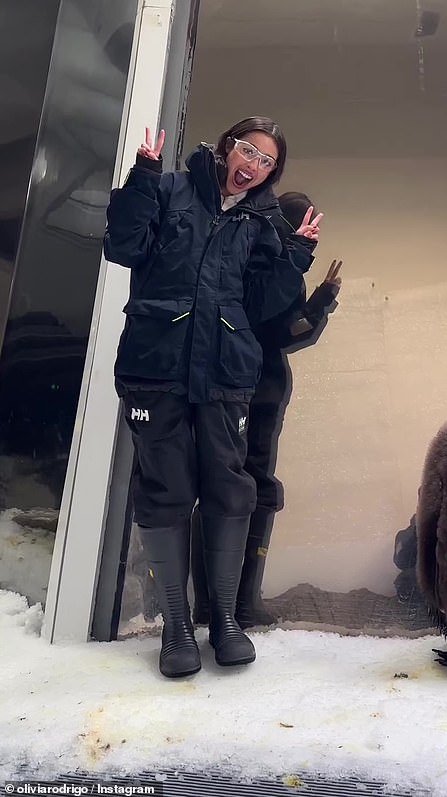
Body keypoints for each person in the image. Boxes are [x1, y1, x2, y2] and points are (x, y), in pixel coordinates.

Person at [104, 117, 323, 678]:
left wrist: (296, 257)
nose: (253, 164)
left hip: (226, 375)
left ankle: (223, 620)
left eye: (267, 161)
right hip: (156, 369)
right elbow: (124, 247)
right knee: (166, 488)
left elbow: (263, 305)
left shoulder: (262, 221)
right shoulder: (172, 188)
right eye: (248, 150)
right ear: (228, 147)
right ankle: (177, 627)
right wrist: (141, 180)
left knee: (229, 487)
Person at [190, 192, 342, 630]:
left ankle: (228, 601)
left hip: (252, 384)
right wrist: (320, 303)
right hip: (250, 384)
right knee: (242, 483)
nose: (309, 230)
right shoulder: (269, 263)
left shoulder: (263, 258)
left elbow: (281, 331)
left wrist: (320, 300)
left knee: (236, 483)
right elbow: (279, 332)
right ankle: (230, 603)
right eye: (306, 222)